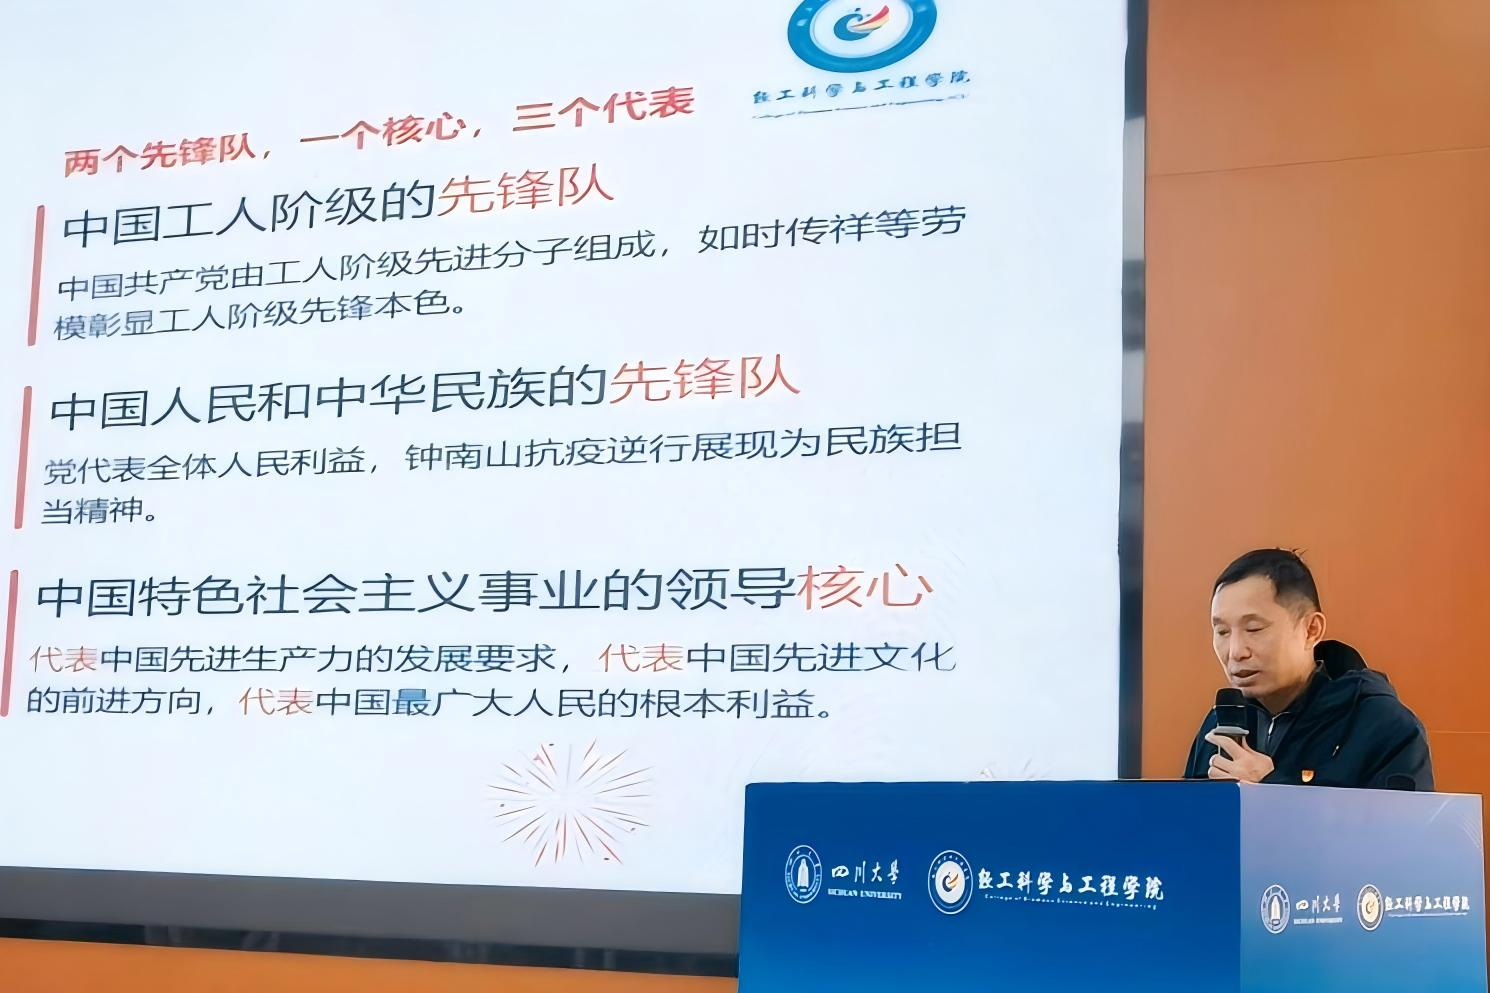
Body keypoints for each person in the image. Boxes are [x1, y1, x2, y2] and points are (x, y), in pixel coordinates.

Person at [1183, 548, 1433, 789]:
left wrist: (1271, 786)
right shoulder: (1220, 724)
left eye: (1254, 629)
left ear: (1311, 630)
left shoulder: (1383, 725)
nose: (1235, 651)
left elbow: (1401, 820)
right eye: (1222, 632)